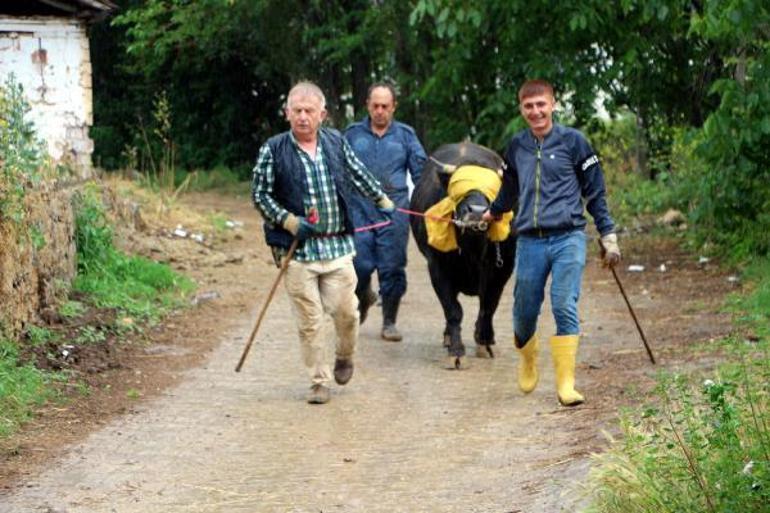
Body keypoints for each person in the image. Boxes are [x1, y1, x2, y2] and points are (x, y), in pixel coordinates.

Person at [251, 81, 395, 404]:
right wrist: (287, 220)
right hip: (298, 252)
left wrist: (381, 197)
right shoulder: (273, 149)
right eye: (297, 111)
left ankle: (345, 356)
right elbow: (259, 194)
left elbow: (357, 173)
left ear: (322, 114)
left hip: (338, 248)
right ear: (287, 113)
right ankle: (319, 381)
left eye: (309, 111)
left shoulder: (335, 142)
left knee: (347, 313)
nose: (303, 117)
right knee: (310, 321)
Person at [482, 79, 621, 407]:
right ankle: (528, 359)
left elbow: (595, 193)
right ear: (522, 109)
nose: (536, 111)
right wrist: (493, 212)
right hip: (529, 240)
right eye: (529, 106)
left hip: (568, 236)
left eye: (541, 104)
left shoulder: (576, 143)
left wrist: (608, 235)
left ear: (554, 105)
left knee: (563, 303)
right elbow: (509, 189)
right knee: (524, 312)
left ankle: (566, 384)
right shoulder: (516, 146)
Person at [344, 82, 427, 342]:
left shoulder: (405, 135)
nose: (380, 111)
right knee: (358, 265)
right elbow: (338, 169)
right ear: (367, 105)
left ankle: (389, 321)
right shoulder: (352, 134)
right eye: (375, 106)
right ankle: (364, 296)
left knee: (392, 267)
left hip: (395, 211)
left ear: (393, 108)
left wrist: (429, 199)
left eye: (385, 106)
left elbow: (421, 172)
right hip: (359, 210)